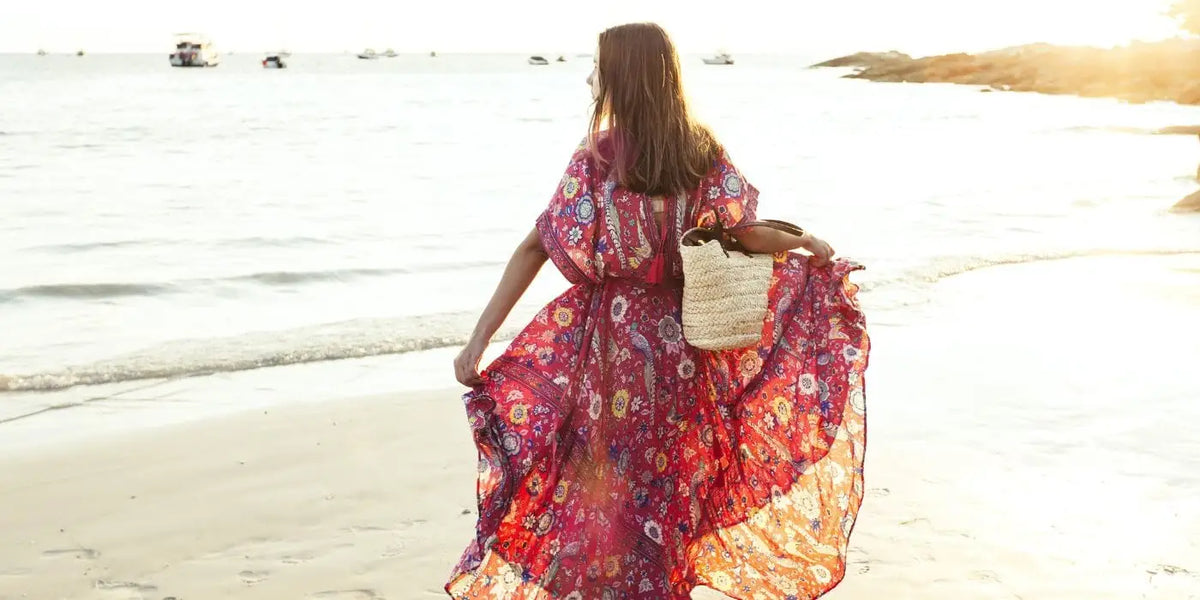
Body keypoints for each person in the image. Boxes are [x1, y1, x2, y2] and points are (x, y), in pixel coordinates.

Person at [449, 22, 869, 600]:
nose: (592, 78)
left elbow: (536, 246)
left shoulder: (600, 154)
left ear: (623, 74)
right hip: (681, 351)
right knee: (664, 491)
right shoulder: (698, 150)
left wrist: (480, 339)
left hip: (609, 348)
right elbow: (742, 234)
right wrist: (802, 241)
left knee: (606, 488)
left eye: (599, 67)